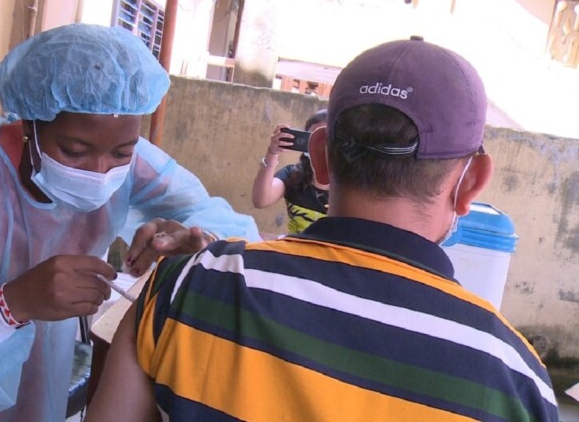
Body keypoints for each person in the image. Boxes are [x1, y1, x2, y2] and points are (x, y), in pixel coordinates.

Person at [85, 37, 560, 421]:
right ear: (472, 182)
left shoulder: (186, 287)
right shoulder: (514, 379)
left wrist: (213, 264)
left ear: (320, 158)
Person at [0, 23, 259, 422]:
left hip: (39, 370)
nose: (100, 172)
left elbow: (224, 222)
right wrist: (11, 304)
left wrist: (197, 242)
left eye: (122, 152)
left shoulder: (126, 157)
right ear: (30, 125)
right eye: (74, 151)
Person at [252, 109, 329, 234]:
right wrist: (272, 152)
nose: (319, 146)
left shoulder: (348, 188)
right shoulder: (293, 175)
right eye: (313, 138)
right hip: (293, 248)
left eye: (325, 139)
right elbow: (260, 200)